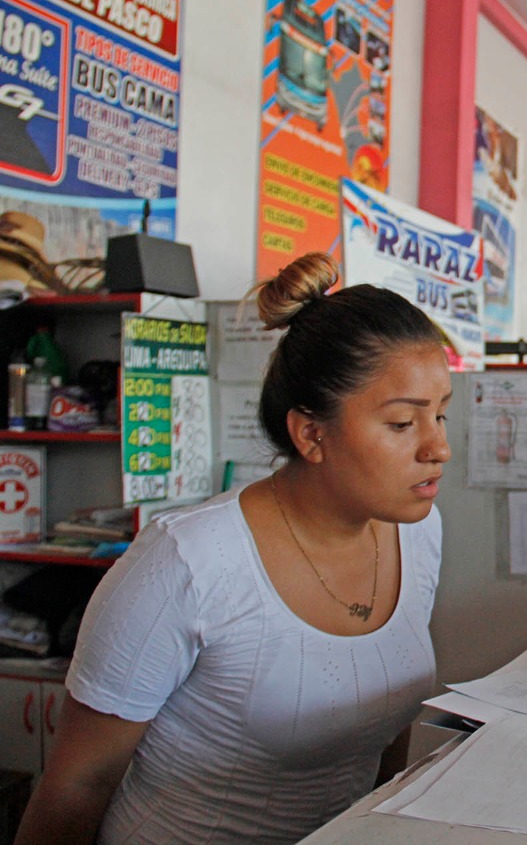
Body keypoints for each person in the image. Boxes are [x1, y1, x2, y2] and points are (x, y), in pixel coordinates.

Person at [16, 252, 453, 844]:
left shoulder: (418, 533)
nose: (437, 448)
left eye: (442, 416)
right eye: (403, 424)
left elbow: (381, 736)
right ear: (311, 433)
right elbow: (76, 786)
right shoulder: (188, 561)